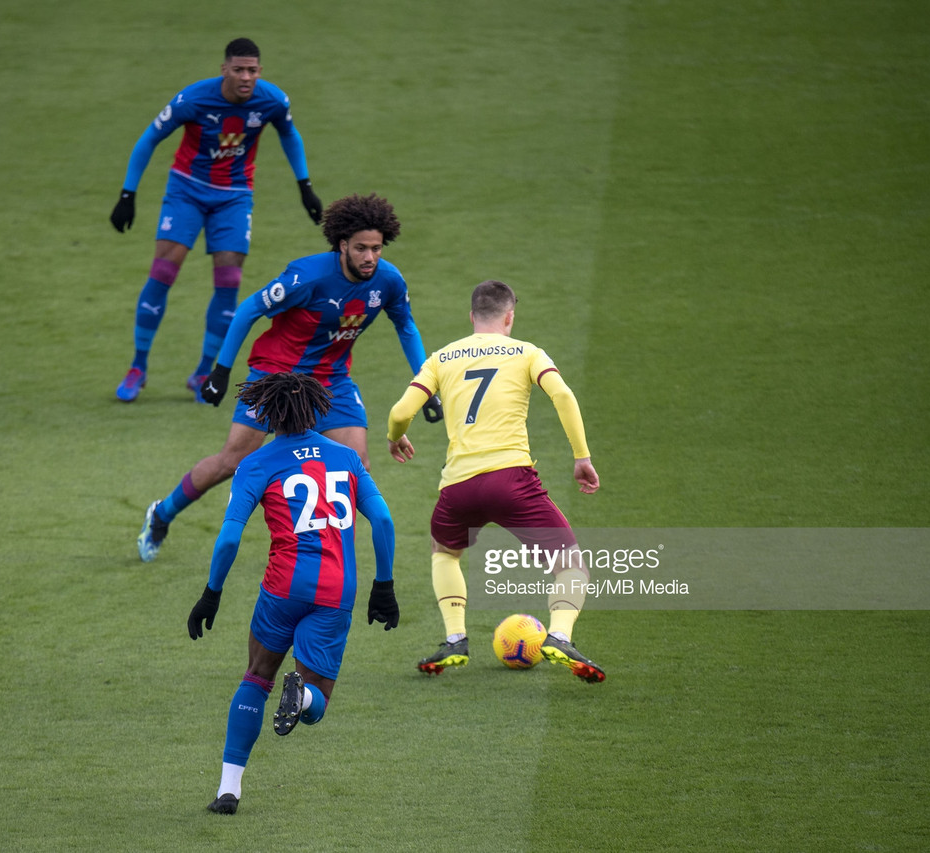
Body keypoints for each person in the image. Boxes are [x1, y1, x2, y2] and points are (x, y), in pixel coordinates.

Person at [136, 192, 442, 562]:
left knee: (355, 463)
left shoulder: (388, 281)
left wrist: (427, 386)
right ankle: (162, 513)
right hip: (276, 377)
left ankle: (336, 560)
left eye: (376, 248)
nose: (369, 257)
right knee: (233, 462)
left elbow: (406, 326)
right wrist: (221, 370)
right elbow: (249, 309)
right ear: (342, 245)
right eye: (361, 248)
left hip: (332, 381)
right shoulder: (307, 276)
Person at [187, 372, 400, 815]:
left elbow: (228, 539)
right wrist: (385, 585)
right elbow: (382, 521)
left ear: (267, 412)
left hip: (282, 588)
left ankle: (229, 790)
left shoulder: (257, 463)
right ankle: (301, 697)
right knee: (317, 704)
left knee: (256, 676)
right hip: (335, 591)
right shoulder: (346, 457)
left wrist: (212, 593)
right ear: (317, 408)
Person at [385, 280, 606, 682]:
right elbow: (564, 396)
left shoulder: (442, 358)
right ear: (509, 317)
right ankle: (559, 636)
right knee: (570, 565)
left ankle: (455, 639)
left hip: (458, 487)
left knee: (445, 551)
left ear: (472, 318)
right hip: (512, 481)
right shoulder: (528, 353)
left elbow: (401, 410)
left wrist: (394, 435)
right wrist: (581, 457)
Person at [109, 37, 324, 403]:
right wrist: (128, 194)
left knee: (229, 280)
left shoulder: (272, 101)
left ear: (260, 71)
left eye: (252, 70)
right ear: (223, 69)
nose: (246, 77)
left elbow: (290, 134)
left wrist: (305, 186)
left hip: (235, 196)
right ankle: (138, 366)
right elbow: (149, 138)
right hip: (187, 190)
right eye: (238, 69)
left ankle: (203, 372)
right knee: (163, 272)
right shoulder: (193, 99)